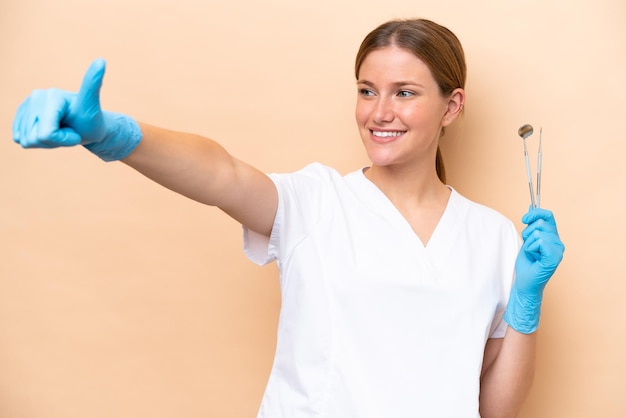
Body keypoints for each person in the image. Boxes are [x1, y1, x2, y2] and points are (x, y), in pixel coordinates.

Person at [12, 18, 564, 418]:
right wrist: (112, 134)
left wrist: (526, 305)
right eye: (367, 91)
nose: (380, 112)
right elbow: (220, 173)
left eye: (405, 93)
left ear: (452, 106)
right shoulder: (317, 201)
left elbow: (495, 409)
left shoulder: (492, 236)